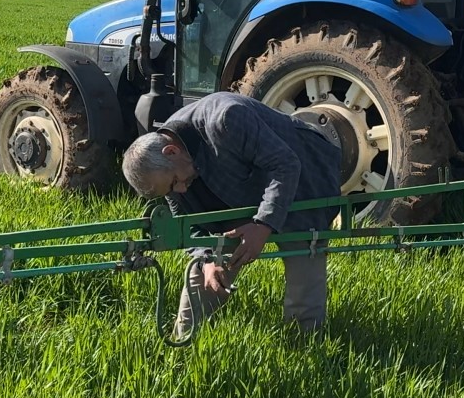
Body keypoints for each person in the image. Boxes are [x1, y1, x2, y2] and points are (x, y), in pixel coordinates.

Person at [120, 92, 342, 338]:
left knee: (303, 263)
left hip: (304, 179)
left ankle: (305, 345)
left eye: (175, 183)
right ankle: (184, 343)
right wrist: (206, 259)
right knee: (206, 271)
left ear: (171, 152)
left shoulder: (227, 119)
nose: (180, 190)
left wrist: (264, 224)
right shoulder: (168, 166)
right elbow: (189, 223)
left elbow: (286, 165)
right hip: (241, 191)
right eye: (171, 190)